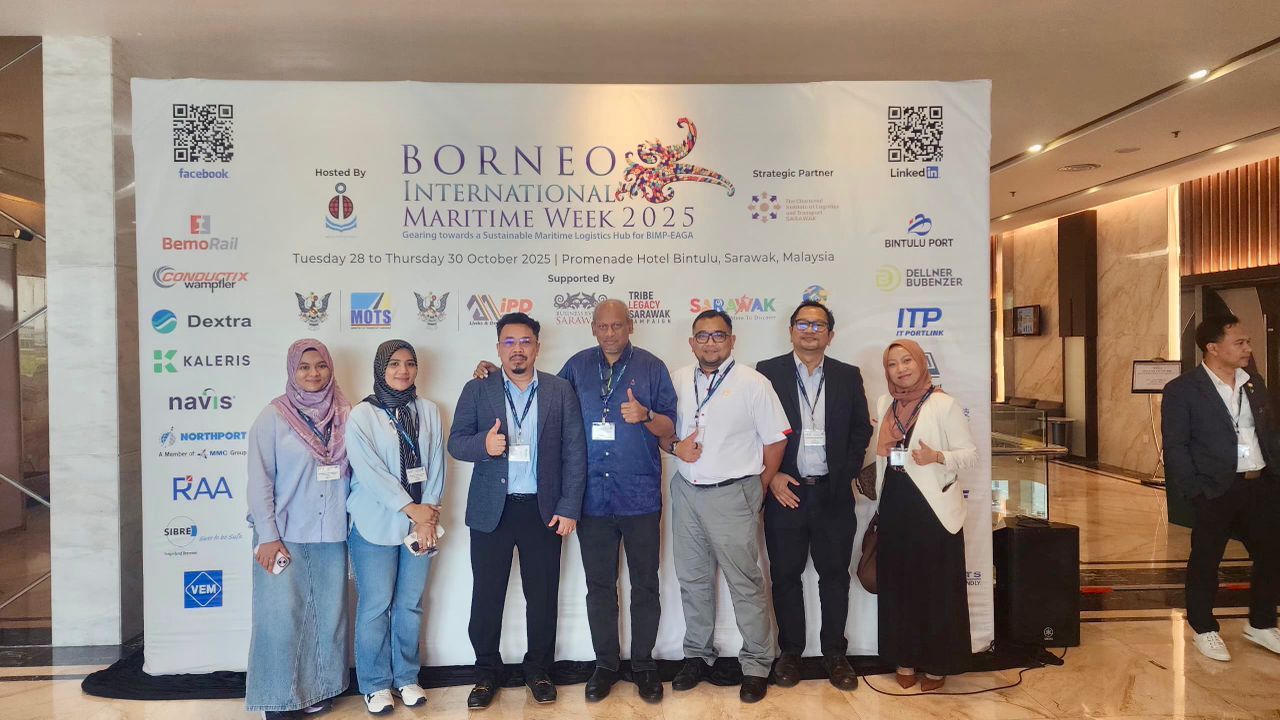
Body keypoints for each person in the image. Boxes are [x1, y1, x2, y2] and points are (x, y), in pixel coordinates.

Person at [471, 299, 676, 702]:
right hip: (591, 500)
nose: (610, 333)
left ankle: (644, 665)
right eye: (603, 326)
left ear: (630, 326)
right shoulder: (576, 368)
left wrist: (646, 415)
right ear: (593, 328)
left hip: (639, 496)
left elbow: (670, 425)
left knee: (645, 584)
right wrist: (494, 374)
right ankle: (606, 665)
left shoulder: (652, 367)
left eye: (617, 325)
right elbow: (535, 392)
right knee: (599, 586)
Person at [448, 312, 587, 709]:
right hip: (492, 510)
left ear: (537, 347)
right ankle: (486, 673)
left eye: (525, 341)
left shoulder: (560, 390)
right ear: (498, 348)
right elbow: (456, 442)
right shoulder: (478, 389)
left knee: (542, 597)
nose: (517, 349)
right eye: (509, 342)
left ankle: (538, 671)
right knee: (487, 596)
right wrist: (483, 446)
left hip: (543, 511)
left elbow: (575, 452)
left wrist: (569, 506)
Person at [661, 309, 790, 704]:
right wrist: (674, 447)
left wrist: (759, 487)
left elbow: (776, 440)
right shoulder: (678, 379)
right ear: (691, 342)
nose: (710, 342)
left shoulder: (753, 383)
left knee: (745, 582)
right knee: (693, 580)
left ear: (732, 340)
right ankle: (697, 656)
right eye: (702, 335)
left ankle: (756, 664)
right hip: (686, 491)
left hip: (734, 493)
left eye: (718, 335)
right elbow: (662, 430)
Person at [756, 301, 872, 690]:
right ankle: (790, 653)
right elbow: (753, 429)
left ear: (830, 335)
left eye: (818, 325)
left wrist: (845, 473)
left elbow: (861, 429)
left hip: (832, 494)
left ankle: (835, 654)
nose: (810, 331)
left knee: (834, 577)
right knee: (785, 576)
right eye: (803, 324)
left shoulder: (847, 375)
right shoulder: (767, 372)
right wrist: (771, 476)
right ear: (791, 331)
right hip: (784, 492)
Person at [1162, 314, 1280, 662]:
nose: (1248, 348)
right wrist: (1193, 490)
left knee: (1271, 555)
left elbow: (1267, 433)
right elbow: (1176, 446)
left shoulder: (1253, 383)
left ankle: (1261, 623)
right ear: (1212, 348)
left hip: (1259, 484)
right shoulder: (1183, 389)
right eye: (1239, 342)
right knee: (1206, 559)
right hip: (1214, 489)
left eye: (1248, 342)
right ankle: (1204, 628)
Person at [245, 339, 352, 719]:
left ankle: (316, 690)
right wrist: (267, 536)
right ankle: (277, 699)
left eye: (320, 365)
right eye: (304, 367)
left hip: (331, 533)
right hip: (284, 534)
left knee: (326, 618)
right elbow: (259, 480)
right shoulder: (273, 416)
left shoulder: (346, 414)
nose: (313, 373)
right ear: (293, 371)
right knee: (279, 619)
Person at [345, 340, 446, 714]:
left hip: (421, 526)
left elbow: (436, 464)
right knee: (375, 606)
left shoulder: (429, 411)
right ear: (380, 369)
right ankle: (374, 685)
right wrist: (411, 509)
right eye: (394, 364)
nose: (403, 371)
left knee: (409, 604)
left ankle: (406, 677)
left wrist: (427, 516)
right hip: (375, 522)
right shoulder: (362, 415)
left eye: (410, 363)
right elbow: (370, 472)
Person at [872, 339, 976, 692]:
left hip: (934, 509)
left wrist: (938, 457)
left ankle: (936, 665)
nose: (900, 369)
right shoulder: (885, 402)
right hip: (895, 502)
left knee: (936, 588)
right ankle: (904, 659)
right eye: (892, 364)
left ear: (921, 363)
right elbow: (882, 454)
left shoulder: (944, 404)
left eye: (907, 361)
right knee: (899, 585)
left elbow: (970, 455)